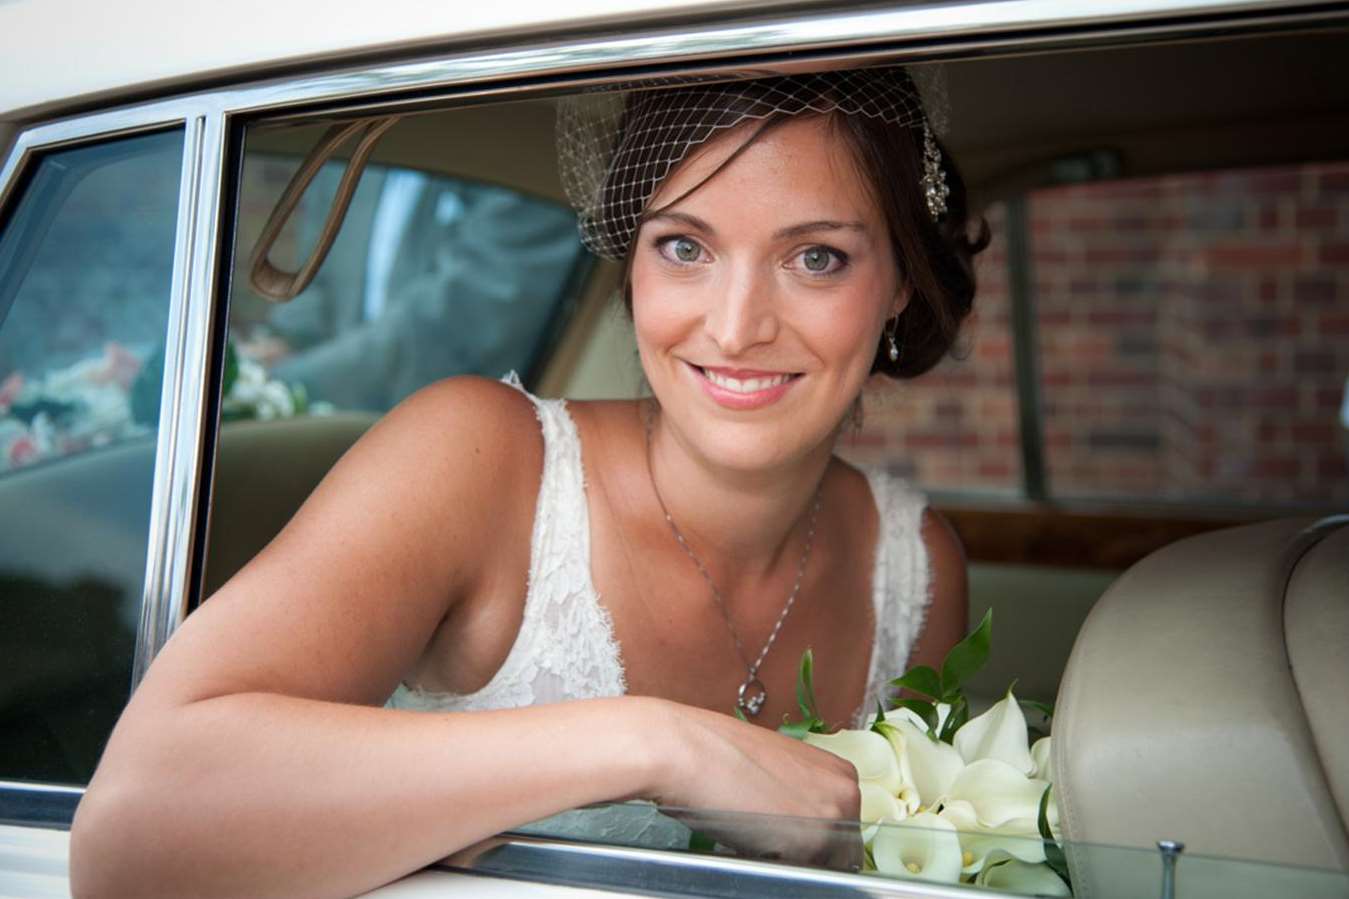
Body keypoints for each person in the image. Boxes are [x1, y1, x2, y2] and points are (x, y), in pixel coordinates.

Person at [70, 67, 987, 898]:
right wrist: (649, 743)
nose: (738, 324)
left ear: (899, 281)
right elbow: (130, 835)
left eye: (815, 257)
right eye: (684, 247)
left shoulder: (914, 568)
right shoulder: (479, 461)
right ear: (630, 257)